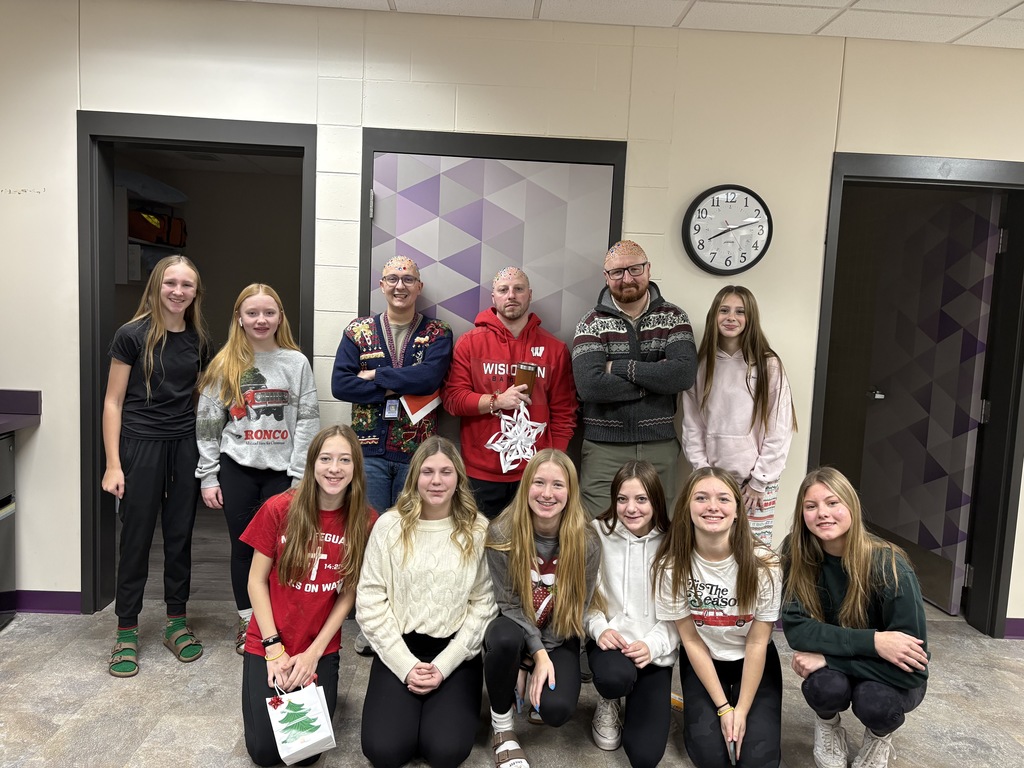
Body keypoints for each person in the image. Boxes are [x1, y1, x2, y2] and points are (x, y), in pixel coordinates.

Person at [239, 424, 376, 767]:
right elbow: (255, 581)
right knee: (266, 753)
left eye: (344, 460)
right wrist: (273, 648)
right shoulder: (279, 508)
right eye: (326, 458)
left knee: (304, 755)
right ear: (312, 463)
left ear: (355, 468)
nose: (334, 468)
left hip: (318, 645)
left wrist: (314, 654)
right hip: (269, 641)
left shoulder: (365, 520)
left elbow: (349, 594)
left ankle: (320, 686)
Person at [356, 436, 496, 768]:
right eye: (428, 471)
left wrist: (445, 666)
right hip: (400, 646)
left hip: (455, 653)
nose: (436, 481)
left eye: (446, 472)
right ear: (415, 476)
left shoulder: (478, 530)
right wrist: (405, 666)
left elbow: (484, 605)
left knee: (446, 752)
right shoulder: (389, 527)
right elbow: (370, 599)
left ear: (459, 478)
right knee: (384, 751)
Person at [196, 283, 320, 654]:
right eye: (252, 313)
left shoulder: (296, 363)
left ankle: (278, 622)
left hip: (283, 475)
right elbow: (208, 423)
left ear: (280, 316)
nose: (261, 320)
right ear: (239, 318)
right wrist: (209, 475)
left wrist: (300, 475)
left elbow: (308, 422)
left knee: (283, 551)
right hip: (238, 471)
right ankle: (248, 622)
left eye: (269, 312)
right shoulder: (223, 364)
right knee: (243, 550)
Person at [102, 254, 210, 678]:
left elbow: (202, 398)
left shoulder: (200, 339)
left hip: (184, 446)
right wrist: (113, 464)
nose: (178, 291)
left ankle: (176, 622)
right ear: (157, 286)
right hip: (139, 446)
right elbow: (112, 401)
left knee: (181, 535)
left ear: (195, 293)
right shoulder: (131, 335)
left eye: (187, 285)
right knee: (137, 538)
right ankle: (126, 630)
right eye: (171, 283)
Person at [781, 467, 929, 768]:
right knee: (823, 687)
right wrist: (874, 641)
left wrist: (830, 657)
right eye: (811, 506)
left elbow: (913, 671)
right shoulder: (796, 554)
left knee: (876, 703)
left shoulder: (889, 565)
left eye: (833, 503)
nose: (823, 513)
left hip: (888, 675)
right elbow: (797, 631)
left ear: (851, 506)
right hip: (862, 658)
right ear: (802, 515)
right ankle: (827, 724)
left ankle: (879, 736)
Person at [654, 467, 783, 768]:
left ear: (737, 510)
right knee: (710, 758)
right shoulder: (671, 567)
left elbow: (757, 643)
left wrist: (742, 710)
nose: (713, 506)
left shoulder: (766, 565)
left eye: (723, 499)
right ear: (687, 507)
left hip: (753, 659)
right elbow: (690, 639)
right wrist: (725, 709)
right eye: (701, 498)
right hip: (705, 659)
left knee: (757, 763)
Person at [483, 449, 602, 768]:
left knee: (557, 710)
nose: (547, 493)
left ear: (570, 492)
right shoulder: (502, 533)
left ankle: (525, 670)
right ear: (526, 486)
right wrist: (532, 655)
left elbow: (578, 607)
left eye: (558, 485)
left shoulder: (587, 541)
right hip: (513, 628)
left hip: (559, 633)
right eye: (538, 482)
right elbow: (507, 602)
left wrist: (540, 657)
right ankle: (502, 728)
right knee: (504, 640)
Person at [572, 240, 697, 516]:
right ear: (606, 277)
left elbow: (683, 375)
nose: (627, 278)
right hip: (603, 450)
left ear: (648, 269)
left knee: (662, 531)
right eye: (617, 272)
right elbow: (589, 386)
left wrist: (617, 367)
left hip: (659, 447)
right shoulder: (590, 323)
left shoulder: (675, 318)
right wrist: (654, 382)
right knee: (597, 530)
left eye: (635, 269)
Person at [443, 267, 577, 518]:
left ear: (529, 295)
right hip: (480, 473)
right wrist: (497, 401)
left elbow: (564, 414)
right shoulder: (470, 343)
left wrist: (553, 463)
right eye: (503, 290)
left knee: (528, 550)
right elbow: (452, 400)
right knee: (481, 547)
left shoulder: (554, 349)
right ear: (493, 297)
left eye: (518, 289)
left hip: (535, 475)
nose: (511, 295)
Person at [332, 255, 453, 517]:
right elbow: (341, 386)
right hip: (368, 454)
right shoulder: (358, 331)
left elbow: (429, 379)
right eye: (393, 279)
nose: (400, 286)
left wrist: (374, 374)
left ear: (418, 287)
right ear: (382, 285)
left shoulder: (437, 332)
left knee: (409, 532)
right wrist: (403, 383)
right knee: (369, 529)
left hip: (418, 455)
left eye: (408, 279)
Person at [682, 286, 796, 546]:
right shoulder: (700, 366)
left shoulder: (769, 365)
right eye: (724, 310)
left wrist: (759, 480)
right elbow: (692, 426)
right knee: (711, 547)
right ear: (714, 316)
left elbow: (780, 428)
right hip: (712, 478)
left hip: (755, 483)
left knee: (753, 550)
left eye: (740, 312)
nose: (731, 317)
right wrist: (703, 472)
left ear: (750, 318)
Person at [585, 461, 679, 768]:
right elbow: (585, 599)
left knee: (644, 755)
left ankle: (645, 700)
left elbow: (682, 614)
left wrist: (653, 644)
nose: (631, 508)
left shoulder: (674, 541)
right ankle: (608, 699)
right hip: (612, 643)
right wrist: (599, 628)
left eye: (641, 499)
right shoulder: (598, 533)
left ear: (656, 501)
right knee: (614, 679)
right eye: (622, 499)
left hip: (654, 649)